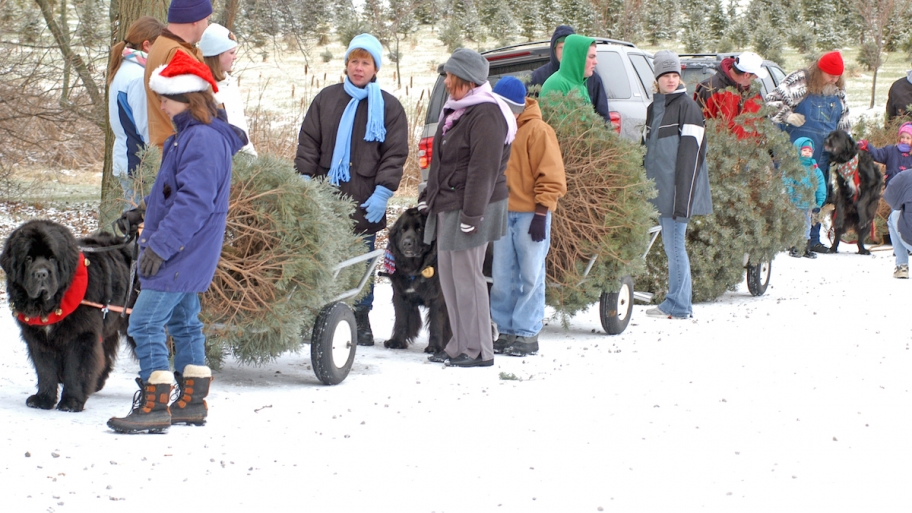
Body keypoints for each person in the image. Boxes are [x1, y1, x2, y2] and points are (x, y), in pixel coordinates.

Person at [107, 51, 248, 434]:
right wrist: (142, 212)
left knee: (145, 321)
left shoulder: (201, 139)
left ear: (189, 98)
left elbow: (193, 203)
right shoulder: (189, 136)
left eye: (167, 99)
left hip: (183, 248)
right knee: (185, 322)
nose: (162, 106)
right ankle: (191, 401)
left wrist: (160, 246)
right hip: (188, 247)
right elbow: (174, 192)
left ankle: (154, 402)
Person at [294, 34, 408, 346]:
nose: (359, 68)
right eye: (354, 61)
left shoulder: (389, 107)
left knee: (361, 259)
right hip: (324, 196)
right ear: (347, 64)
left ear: (375, 68)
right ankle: (320, 314)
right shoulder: (326, 100)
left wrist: (384, 191)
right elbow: (308, 142)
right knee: (323, 256)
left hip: (364, 197)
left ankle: (360, 317)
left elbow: (395, 153)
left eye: (365, 62)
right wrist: (304, 179)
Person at [418, 48, 516, 367]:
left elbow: (482, 170)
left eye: (449, 75)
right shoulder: (456, 109)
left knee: (467, 277)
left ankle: (479, 350)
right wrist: (428, 196)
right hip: (449, 203)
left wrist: (472, 216)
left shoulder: (486, 114)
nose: (445, 81)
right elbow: (441, 162)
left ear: (466, 80)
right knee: (449, 277)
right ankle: (458, 344)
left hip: (475, 206)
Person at [489, 77, 566, 357]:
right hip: (502, 213)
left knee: (531, 275)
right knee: (502, 275)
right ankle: (506, 329)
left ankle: (527, 332)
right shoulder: (499, 130)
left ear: (514, 107)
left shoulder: (538, 131)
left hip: (531, 215)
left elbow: (553, 175)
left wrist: (541, 212)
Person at [642, 51, 712, 320]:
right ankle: (676, 301)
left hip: (678, 192)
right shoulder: (655, 109)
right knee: (673, 246)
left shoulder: (687, 108)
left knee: (674, 245)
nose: (671, 80)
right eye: (665, 76)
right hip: (661, 191)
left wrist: (682, 199)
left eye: (674, 75)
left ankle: (679, 305)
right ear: (657, 78)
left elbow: (691, 156)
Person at [766, 51, 850, 253]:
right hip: (792, 153)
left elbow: (844, 124)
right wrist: (788, 115)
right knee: (790, 194)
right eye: (830, 75)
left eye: (838, 76)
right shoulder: (798, 82)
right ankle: (786, 238)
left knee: (816, 195)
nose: (834, 79)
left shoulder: (838, 93)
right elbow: (770, 102)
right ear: (819, 70)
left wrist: (844, 150)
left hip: (821, 155)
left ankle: (811, 239)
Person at [107, 16, 165, 209]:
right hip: (138, 165)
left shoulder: (126, 69)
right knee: (140, 226)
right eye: (160, 45)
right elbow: (147, 126)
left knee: (135, 222)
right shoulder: (138, 77)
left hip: (129, 160)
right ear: (147, 45)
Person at [144, 0, 212, 150]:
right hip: (183, 152)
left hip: (171, 148)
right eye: (206, 19)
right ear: (195, 19)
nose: (207, 25)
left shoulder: (161, 44)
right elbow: (195, 111)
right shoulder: (177, 54)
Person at [528, 25, 611, 123]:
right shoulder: (552, 82)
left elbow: (600, 119)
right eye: (561, 48)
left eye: (567, 48)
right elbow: (559, 128)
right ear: (554, 49)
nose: (565, 52)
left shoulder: (584, 82)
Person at [199, 23, 257, 156]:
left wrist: (251, 155)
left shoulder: (230, 83)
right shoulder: (202, 89)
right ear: (216, 55)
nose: (235, 57)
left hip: (243, 160)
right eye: (231, 53)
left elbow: (240, 126)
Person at [694, 51, 766, 139]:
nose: (756, 79)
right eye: (755, 76)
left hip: (749, 152)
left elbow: (761, 123)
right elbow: (697, 126)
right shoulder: (710, 89)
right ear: (746, 75)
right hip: (717, 152)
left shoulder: (754, 92)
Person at [785, 137, 827, 259]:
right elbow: (788, 182)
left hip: (808, 203)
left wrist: (819, 200)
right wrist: (790, 197)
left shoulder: (815, 169)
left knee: (807, 225)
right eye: (804, 150)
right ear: (798, 151)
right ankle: (794, 247)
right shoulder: (793, 167)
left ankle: (805, 247)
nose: (807, 153)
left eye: (809, 151)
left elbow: (820, 185)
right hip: (795, 202)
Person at [539, 34, 598, 104]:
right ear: (577, 58)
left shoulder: (581, 86)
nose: (596, 62)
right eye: (591, 57)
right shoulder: (556, 85)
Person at [857, 122, 912, 187]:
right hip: (891, 186)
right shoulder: (891, 150)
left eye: (908, 138)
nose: (904, 140)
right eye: (902, 137)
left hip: (907, 189)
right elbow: (878, 154)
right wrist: (867, 146)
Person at [884, 168, 912, 279]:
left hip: (909, 239)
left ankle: (902, 266)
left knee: (893, 216)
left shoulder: (905, 175)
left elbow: (889, 198)